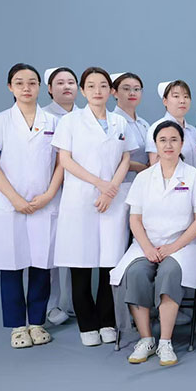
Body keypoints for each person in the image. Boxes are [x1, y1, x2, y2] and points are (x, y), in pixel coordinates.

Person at [110, 121, 196, 366]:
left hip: (183, 246)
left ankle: (165, 341)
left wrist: (172, 248)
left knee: (170, 272)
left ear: (182, 143)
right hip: (146, 245)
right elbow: (135, 220)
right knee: (135, 273)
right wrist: (147, 248)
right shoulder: (144, 178)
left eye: (174, 139)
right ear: (155, 144)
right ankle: (146, 339)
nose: (168, 145)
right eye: (162, 140)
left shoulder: (194, 176)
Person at [51, 66, 137, 346]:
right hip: (81, 199)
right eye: (91, 86)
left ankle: (107, 321)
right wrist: (100, 184)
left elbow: (125, 158)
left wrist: (111, 188)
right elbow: (65, 160)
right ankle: (87, 324)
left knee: (109, 264)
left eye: (102, 86)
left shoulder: (119, 122)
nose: (97, 91)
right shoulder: (70, 122)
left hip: (112, 199)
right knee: (81, 263)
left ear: (111, 91)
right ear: (83, 91)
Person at [0, 63, 63, 348]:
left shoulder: (53, 122)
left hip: (43, 203)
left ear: (40, 87)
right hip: (9, 204)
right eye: (19, 82)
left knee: (41, 265)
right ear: (10, 87)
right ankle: (17, 326)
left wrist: (49, 194)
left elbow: (61, 163)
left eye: (32, 82)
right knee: (11, 265)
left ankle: (37, 323)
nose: (26, 88)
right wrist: (14, 198)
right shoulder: (0, 121)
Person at [42, 66, 79, 325]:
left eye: (71, 82)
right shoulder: (42, 117)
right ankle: (50, 305)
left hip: (78, 191)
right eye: (60, 83)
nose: (66, 87)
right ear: (49, 88)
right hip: (51, 192)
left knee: (75, 249)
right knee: (49, 252)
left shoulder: (86, 116)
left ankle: (72, 302)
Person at [146, 80, 196, 169]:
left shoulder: (193, 131)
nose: (182, 101)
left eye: (186, 96)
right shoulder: (157, 129)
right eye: (176, 96)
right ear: (165, 101)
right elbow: (155, 165)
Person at [111, 72, 150, 184]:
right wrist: (141, 167)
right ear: (114, 92)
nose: (132, 93)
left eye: (137, 89)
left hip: (145, 183)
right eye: (126, 89)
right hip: (121, 184)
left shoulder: (144, 124)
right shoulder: (112, 122)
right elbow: (111, 157)